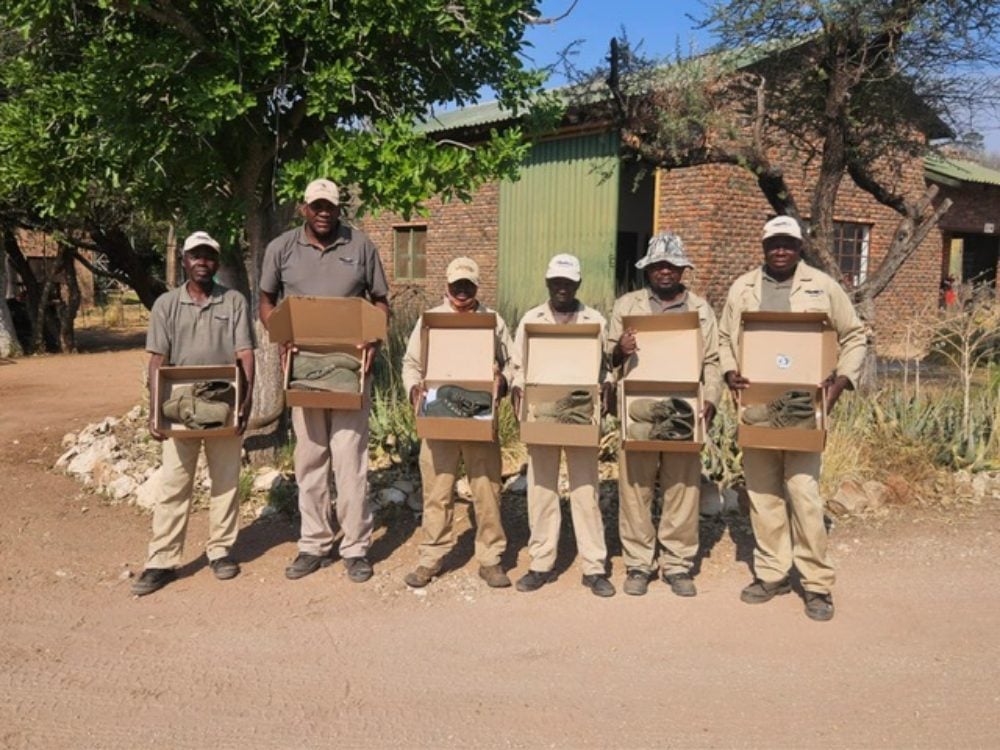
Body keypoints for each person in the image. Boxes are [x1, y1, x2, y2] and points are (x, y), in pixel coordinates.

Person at [719, 215, 865, 621]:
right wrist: (730, 371)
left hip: (805, 409)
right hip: (757, 407)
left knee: (803, 494)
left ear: (800, 246)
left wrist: (841, 381)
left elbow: (854, 335)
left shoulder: (823, 287)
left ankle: (817, 584)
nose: (780, 250)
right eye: (773, 244)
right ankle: (772, 572)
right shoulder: (743, 288)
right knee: (763, 495)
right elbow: (722, 337)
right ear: (763, 246)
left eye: (788, 243)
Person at [259, 179, 389, 583]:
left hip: (351, 371)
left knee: (350, 461)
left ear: (338, 208)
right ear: (304, 209)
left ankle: (355, 547)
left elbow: (382, 300)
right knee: (310, 458)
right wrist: (279, 333)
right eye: (316, 206)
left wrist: (372, 337)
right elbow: (265, 299)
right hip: (303, 371)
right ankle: (313, 543)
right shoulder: (281, 249)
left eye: (330, 206)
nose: (323, 212)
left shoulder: (361, 246)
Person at [132, 231, 255, 596]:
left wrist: (245, 403)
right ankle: (162, 560)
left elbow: (245, 354)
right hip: (179, 407)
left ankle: (221, 551)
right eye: (195, 256)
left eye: (209, 256)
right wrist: (155, 411)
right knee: (174, 484)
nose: (202, 262)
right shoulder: (166, 305)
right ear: (184, 261)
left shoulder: (233, 302)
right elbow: (157, 360)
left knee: (226, 482)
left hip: (223, 403)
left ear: (216, 263)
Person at [607, 233, 722, 597]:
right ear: (648, 270)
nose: (665, 272)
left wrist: (712, 400)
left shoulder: (700, 309)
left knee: (682, 488)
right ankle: (639, 563)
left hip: (684, 409)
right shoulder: (627, 306)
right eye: (658, 266)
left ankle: (677, 564)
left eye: (672, 266)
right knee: (635, 489)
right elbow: (605, 359)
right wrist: (619, 351)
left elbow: (713, 361)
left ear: (682, 269)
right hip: (638, 409)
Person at [401, 257, 513, 589]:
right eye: (456, 285)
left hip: (480, 414)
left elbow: (512, 363)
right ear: (446, 286)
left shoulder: (493, 321)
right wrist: (413, 390)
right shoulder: (430, 321)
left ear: (477, 286)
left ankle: (491, 558)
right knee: (437, 490)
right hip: (438, 412)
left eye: (468, 285)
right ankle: (431, 557)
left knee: (487, 489)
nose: (462, 291)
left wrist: (503, 382)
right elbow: (410, 363)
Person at [511, 253, 615, 597]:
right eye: (556, 282)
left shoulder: (594, 320)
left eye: (568, 282)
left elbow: (604, 369)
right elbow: (518, 367)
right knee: (542, 489)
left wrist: (608, 387)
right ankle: (541, 562)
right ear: (547, 282)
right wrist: (517, 393)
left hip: (583, 414)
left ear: (578, 284)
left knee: (586, 492)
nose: (562, 288)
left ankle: (594, 566)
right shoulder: (531, 319)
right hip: (542, 414)